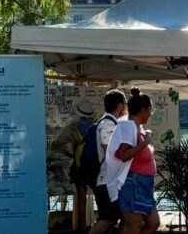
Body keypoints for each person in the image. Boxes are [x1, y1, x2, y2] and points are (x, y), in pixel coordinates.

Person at [108, 89, 160, 234]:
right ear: (143, 110)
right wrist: (143, 144)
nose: (150, 114)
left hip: (144, 185)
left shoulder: (137, 127)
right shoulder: (127, 127)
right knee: (133, 226)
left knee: (153, 223)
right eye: (150, 110)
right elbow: (123, 154)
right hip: (133, 184)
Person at [51, 99, 96, 232]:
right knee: (99, 196)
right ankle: (100, 225)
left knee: (81, 198)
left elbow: (58, 143)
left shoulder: (73, 127)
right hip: (95, 167)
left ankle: (82, 227)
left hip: (79, 166)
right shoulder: (98, 125)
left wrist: (70, 153)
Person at [88, 89, 126, 234]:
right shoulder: (107, 125)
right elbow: (110, 150)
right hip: (107, 181)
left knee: (118, 218)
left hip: (110, 181)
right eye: (125, 104)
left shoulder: (111, 123)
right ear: (120, 106)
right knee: (108, 219)